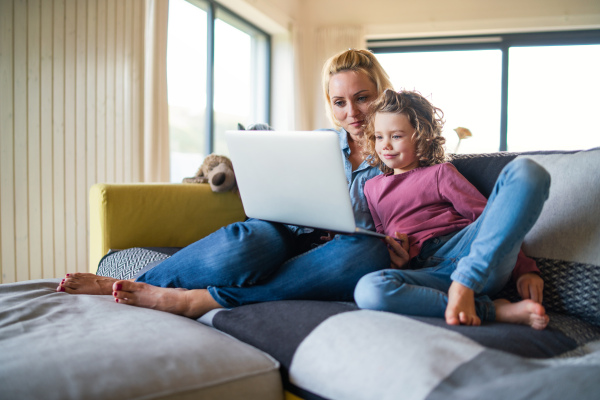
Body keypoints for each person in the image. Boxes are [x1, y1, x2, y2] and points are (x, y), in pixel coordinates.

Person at [57, 49, 396, 318]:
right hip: (285, 233)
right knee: (247, 240)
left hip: (337, 252)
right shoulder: (318, 142)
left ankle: (196, 301)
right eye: (339, 102)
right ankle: (128, 284)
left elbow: (415, 219)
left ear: (382, 94)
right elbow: (275, 187)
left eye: (362, 97)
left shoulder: (401, 151)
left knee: (368, 252)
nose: (352, 112)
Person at [353, 89, 550, 330]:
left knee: (527, 171)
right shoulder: (371, 187)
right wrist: (398, 262)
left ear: (422, 136)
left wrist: (525, 271)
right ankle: (491, 310)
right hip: (431, 274)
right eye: (378, 137)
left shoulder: (440, 173)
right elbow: (385, 238)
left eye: (396, 136)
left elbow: (491, 223)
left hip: (472, 256)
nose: (385, 145)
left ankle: (465, 282)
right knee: (368, 290)